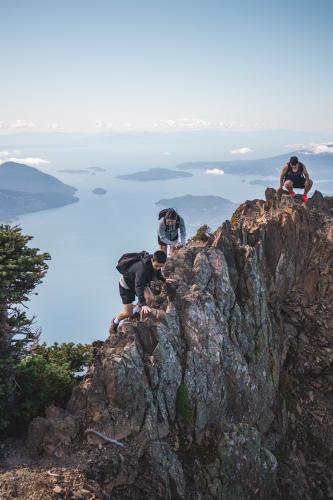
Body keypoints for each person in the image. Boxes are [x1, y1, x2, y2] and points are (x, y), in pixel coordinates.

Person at [110, 250, 174, 333]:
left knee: (150, 299)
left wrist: (164, 280)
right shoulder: (142, 269)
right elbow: (138, 285)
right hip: (126, 286)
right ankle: (115, 322)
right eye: (157, 266)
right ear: (152, 260)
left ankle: (136, 312)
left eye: (160, 266)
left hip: (140, 284)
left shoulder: (155, 262)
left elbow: (157, 273)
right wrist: (143, 304)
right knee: (127, 313)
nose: (158, 268)